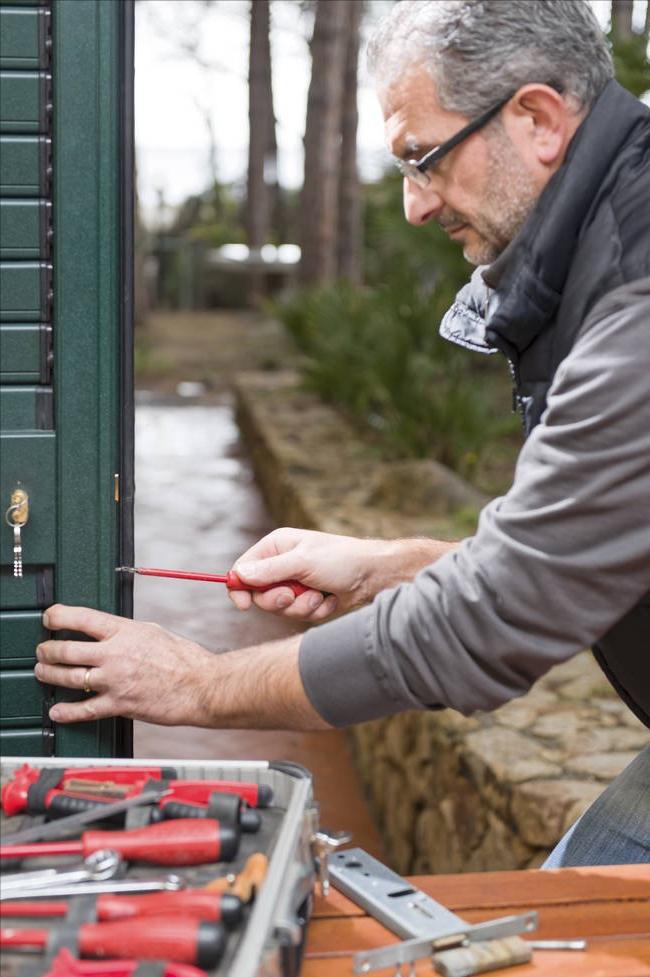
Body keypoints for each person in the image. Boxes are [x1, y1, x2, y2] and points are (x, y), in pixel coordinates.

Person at [35, 0, 650, 866]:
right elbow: (592, 548)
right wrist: (385, 567)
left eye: (422, 159)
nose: (412, 205)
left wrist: (199, 684)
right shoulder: (609, 230)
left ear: (538, 119)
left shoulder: (635, 296)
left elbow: (500, 613)